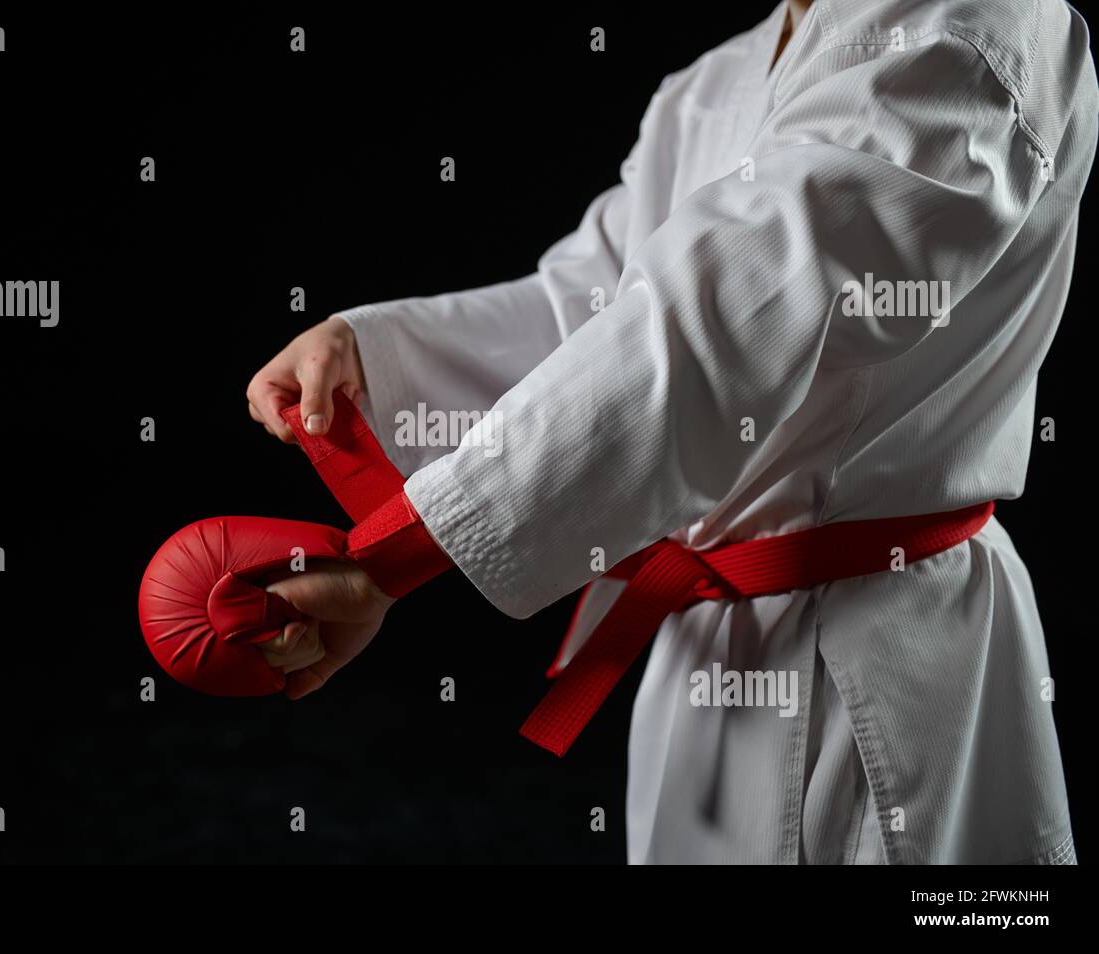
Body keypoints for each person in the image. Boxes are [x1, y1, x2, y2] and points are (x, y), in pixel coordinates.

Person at [246, 0, 1096, 864]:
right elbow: (598, 313)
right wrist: (373, 355)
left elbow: (733, 308)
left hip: (881, 655)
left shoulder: (976, 21)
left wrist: (399, 555)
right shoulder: (714, 82)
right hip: (701, 648)